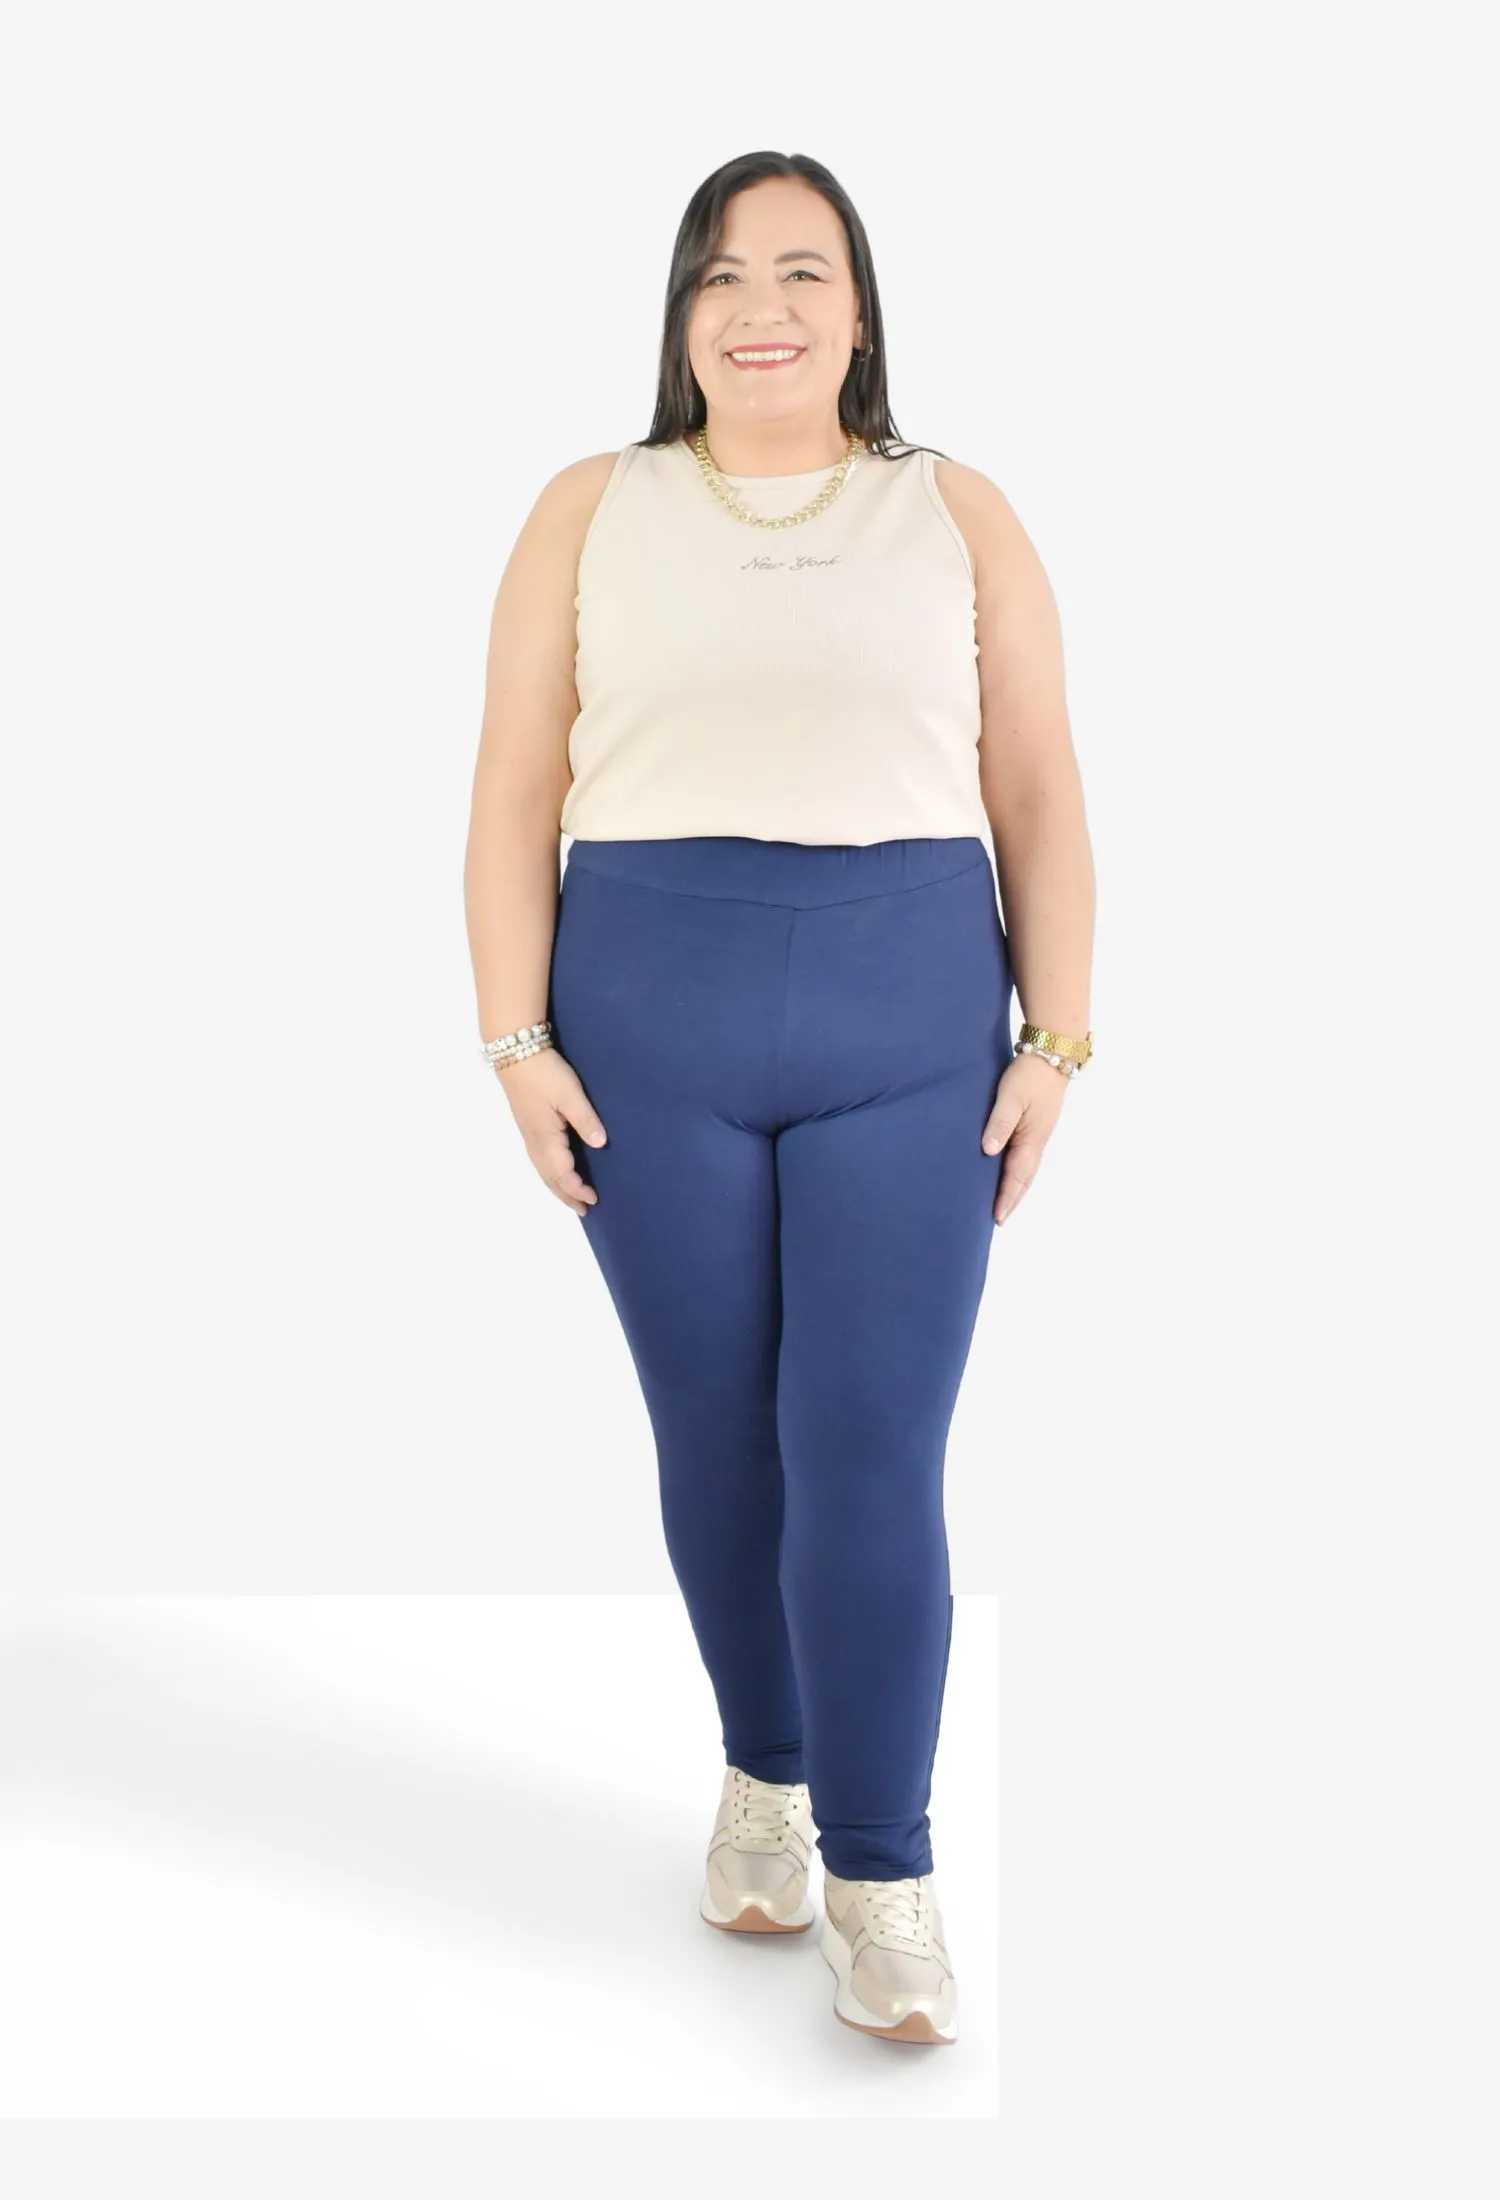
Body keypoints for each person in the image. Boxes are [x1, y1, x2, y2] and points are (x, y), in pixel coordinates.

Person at [463, 150, 1096, 2049]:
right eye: (723, 274)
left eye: (804, 271)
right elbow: (512, 786)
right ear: (681, 315)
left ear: (861, 310)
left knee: (868, 1445)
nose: (762, 307)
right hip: (648, 1037)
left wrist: (1058, 1041)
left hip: (910, 1031)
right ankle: (767, 1773)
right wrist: (515, 1042)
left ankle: (885, 1876)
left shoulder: (955, 509)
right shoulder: (589, 506)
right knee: (722, 1443)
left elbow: (1040, 788)